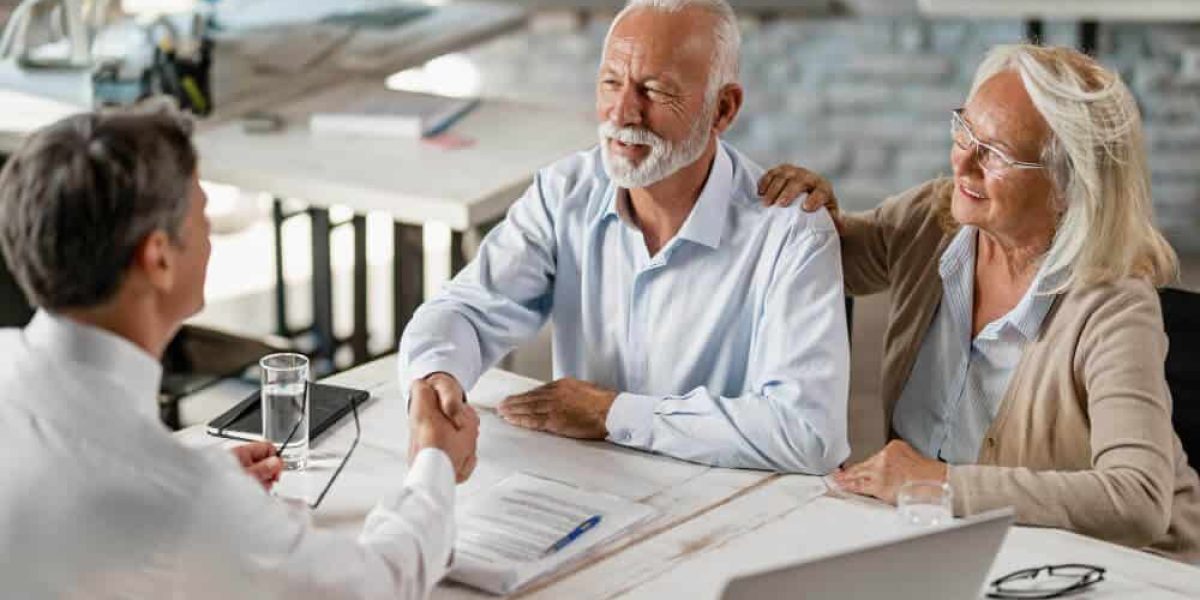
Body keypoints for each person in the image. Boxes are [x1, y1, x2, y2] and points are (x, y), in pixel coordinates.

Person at [0, 103, 481, 597]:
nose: (210, 238)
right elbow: (373, 587)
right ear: (159, 258)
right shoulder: (183, 499)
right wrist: (435, 465)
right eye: (203, 214)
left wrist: (202, 474)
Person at [760, 44, 1200, 561]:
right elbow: (821, 263)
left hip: (1123, 570)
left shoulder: (1114, 308)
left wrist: (942, 483)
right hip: (958, 548)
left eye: (995, 153)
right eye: (964, 130)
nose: (962, 163)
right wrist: (807, 216)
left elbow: (1138, 501)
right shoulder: (931, 219)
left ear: (1068, 183)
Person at [398, 0, 850, 474]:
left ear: (723, 108)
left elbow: (806, 432)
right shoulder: (564, 192)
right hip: (585, 489)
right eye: (611, 82)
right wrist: (435, 376)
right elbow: (468, 311)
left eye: (654, 90)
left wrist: (610, 413)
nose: (623, 112)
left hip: (725, 504)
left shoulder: (792, 231)